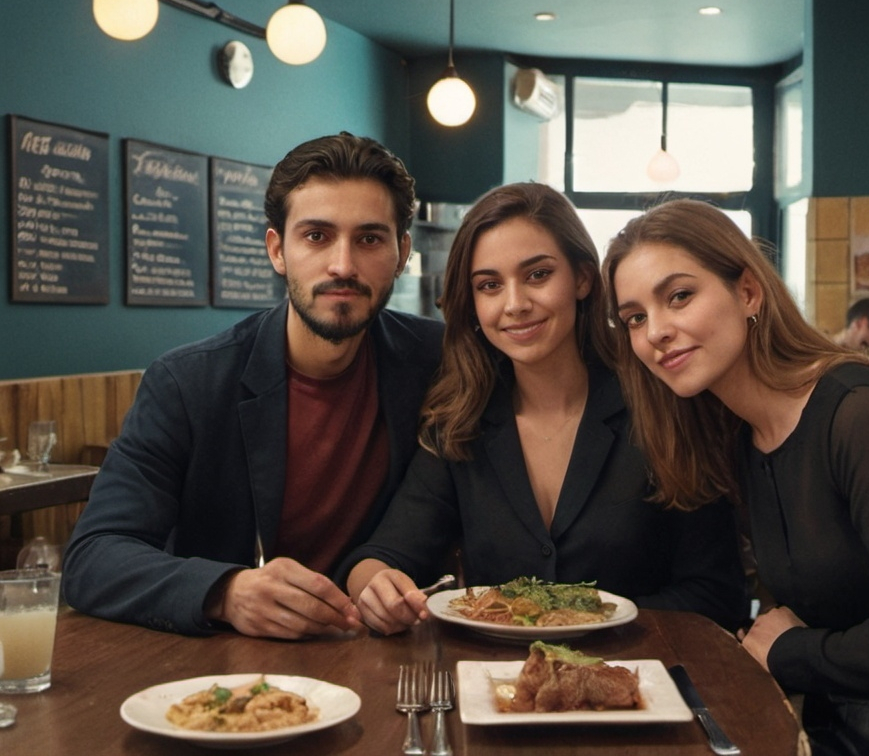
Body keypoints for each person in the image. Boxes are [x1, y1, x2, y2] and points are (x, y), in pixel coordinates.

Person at [603, 198, 869, 756]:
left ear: (748, 292)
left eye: (678, 296)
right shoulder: (744, 435)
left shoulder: (859, 414)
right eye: (635, 317)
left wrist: (788, 652)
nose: (655, 331)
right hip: (846, 727)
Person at [62, 133, 444, 639]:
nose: (343, 265)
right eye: (316, 236)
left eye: (370, 239)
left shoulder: (439, 361)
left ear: (401, 253)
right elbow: (93, 557)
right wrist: (226, 592)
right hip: (224, 669)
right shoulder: (187, 383)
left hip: (380, 654)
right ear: (277, 250)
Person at [343, 183, 749, 637]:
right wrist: (375, 586)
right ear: (473, 303)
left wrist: (579, 623)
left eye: (537, 275)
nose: (515, 304)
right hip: (496, 691)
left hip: (642, 683)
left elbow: (718, 597)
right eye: (490, 285)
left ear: (582, 278)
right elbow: (383, 556)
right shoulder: (460, 422)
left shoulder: (663, 403)